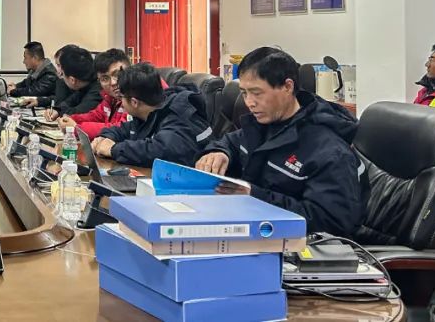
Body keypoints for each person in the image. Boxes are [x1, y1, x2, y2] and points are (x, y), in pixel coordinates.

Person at [195, 47, 366, 237]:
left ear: (287, 87)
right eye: (244, 93)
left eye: (257, 93)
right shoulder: (263, 124)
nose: (249, 102)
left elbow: (330, 223)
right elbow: (232, 142)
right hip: (255, 229)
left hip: (299, 244)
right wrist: (219, 152)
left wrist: (254, 197)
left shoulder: (329, 150)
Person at [91, 62, 210, 166]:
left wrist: (113, 149)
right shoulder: (146, 114)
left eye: (122, 97)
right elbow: (122, 130)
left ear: (134, 102)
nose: (121, 102)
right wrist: (105, 137)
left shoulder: (179, 113)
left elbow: (162, 150)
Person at [58, 48, 129, 140]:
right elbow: (95, 116)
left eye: (117, 74)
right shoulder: (109, 98)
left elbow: (121, 128)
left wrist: (77, 128)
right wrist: (71, 119)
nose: (113, 82)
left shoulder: (135, 98)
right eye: (105, 79)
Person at [29, 46, 103, 118]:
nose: (59, 72)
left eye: (59, 66)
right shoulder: (84, 85)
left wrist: (59, 112)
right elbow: (68, 102)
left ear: (72, 80)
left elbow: (78, 112)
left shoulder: (97, 90)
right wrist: (57, 110)